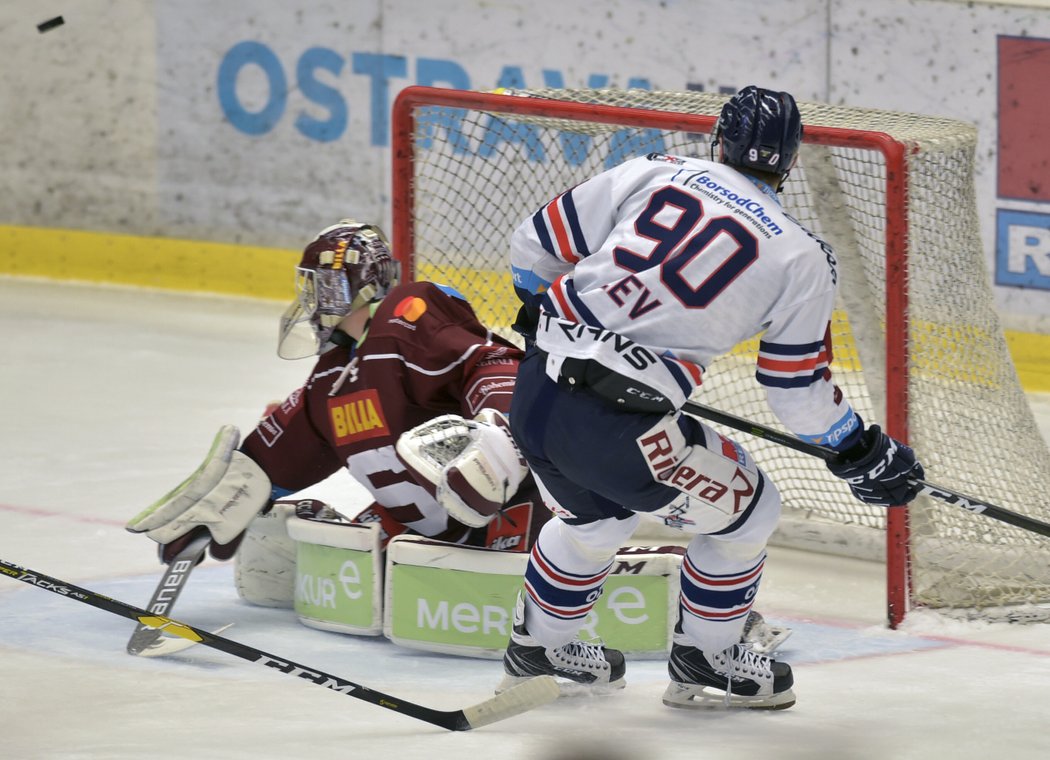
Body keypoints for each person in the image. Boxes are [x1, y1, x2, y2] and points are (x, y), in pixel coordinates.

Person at [500, 85, 925, 709]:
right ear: (790, 161)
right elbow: (795, 391)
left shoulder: (656, 170)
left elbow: (532, 248)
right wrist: (859, 448)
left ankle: (537, 646)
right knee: (751, 511)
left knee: (597, 517)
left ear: (717, 141)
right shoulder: (802, 256)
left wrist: (553, 313)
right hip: (620, 433)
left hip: (533, 396)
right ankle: (708, 656)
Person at [126, 220, 550, 584]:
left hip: (515, 513)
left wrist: (498, 427)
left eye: (318, 284)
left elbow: (489, 361)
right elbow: (276, 458)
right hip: (429, 536)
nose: (311, 299)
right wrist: (220, 505)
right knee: (315, 546)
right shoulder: (331, 380)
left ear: (348, 284)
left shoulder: (407, 317)